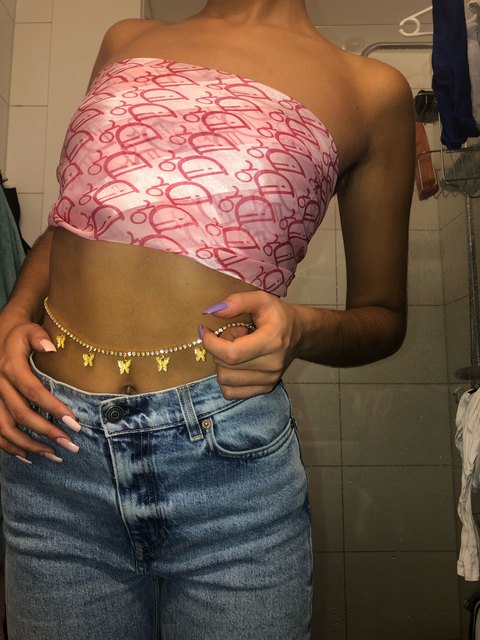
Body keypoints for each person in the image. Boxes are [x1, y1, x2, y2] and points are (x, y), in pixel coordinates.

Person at [0, 0, 415, 638]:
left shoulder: (371, 89)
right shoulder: (125, 39)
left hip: (227, 466)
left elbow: (383, 317)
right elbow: (72, 221)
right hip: (53, 452)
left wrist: (300, 329)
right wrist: (12, 316)